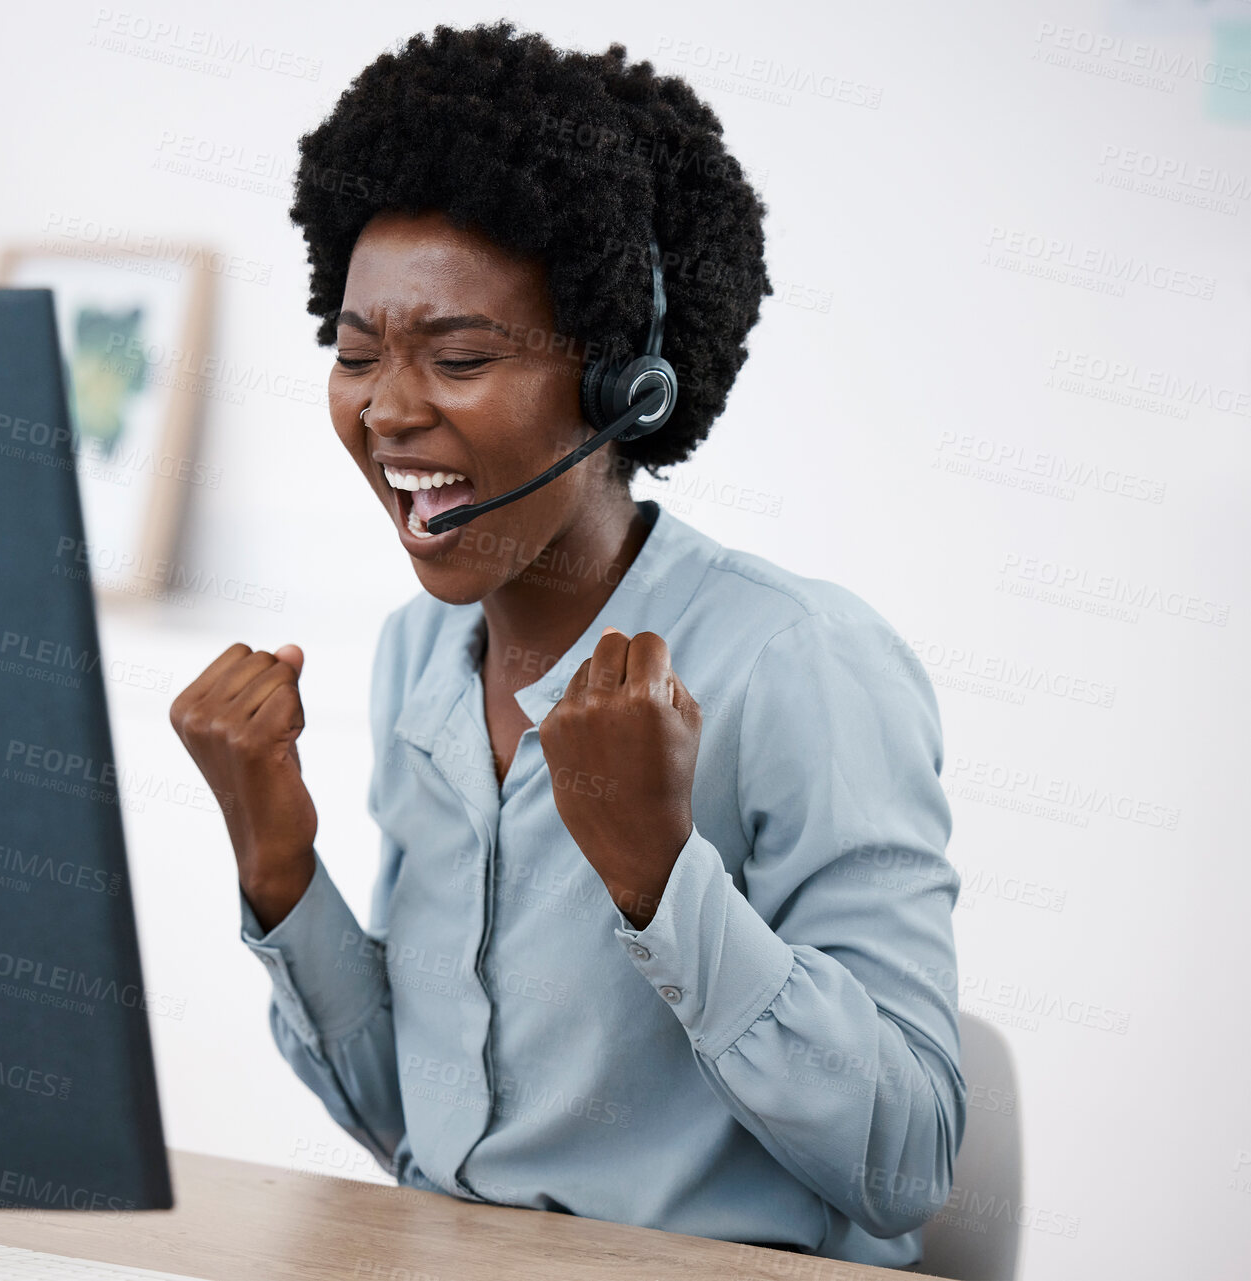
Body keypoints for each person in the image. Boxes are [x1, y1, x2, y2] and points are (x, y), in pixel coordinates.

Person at [169, 20, 964, 1270]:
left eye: (461, 357)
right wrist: (279, 861)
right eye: (357, 353)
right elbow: (430, 1139)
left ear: (624, 384)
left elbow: (906, 1164)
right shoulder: (415, 664)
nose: (385, 410)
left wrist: (658, 876)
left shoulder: (801, 663)